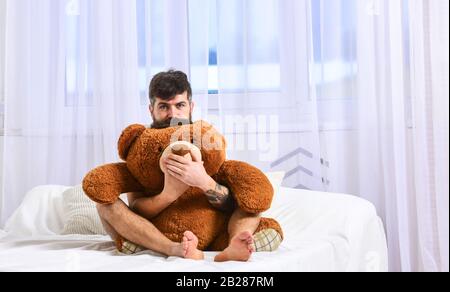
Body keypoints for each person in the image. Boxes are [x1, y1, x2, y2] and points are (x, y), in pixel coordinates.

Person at [97, 70, 279, 261]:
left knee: (252, 200)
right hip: (158, 233)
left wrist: (204, 182)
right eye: (163, 107)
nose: (172, 114)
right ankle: (173, 249)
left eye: (180, 105)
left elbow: (232, 204)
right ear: (151, 110)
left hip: (212, 227)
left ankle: (234, 244)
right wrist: (168, 195)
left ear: (191, 107)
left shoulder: (205, 138)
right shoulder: (142, 147)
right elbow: (135, 208)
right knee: (104, 204)